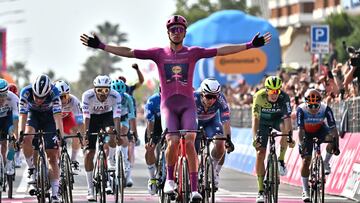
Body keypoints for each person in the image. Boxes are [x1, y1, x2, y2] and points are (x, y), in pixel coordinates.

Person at [81, 14, 271, 201]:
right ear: (168, 33)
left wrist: (250, 45)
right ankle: (170, 180)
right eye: (173, 30)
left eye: (180, 30)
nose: (177, 32)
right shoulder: (159, 54)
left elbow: (221, 51)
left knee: (190, 140)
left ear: (185, 32)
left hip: (188, 105)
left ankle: (195, 188)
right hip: (168, 106)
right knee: (172, 141)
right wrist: (101, 46)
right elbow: (130, 51)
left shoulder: (193, 52)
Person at [18, 74, 64, 203]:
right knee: (27, 138)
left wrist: (61, 134)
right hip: (33, 116)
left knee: (52, 157)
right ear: (33, 90)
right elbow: (22, 115)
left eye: (42, 97)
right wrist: (20, 134)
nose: (38, 100)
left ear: (48, 92)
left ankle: (55, 194)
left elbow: (58, 117)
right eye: (36, 96)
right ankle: (32, 169)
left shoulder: (54, 93)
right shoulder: (25, 92)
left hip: (49, 117)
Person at [252, 76, 295, 203]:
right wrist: (255, 137)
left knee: (284, 129)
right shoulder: (259, 97)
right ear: (266, 90)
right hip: (263, 122)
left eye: (277, 91)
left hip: (277, 120)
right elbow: (255, 119)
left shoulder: (284, 97)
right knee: (260, 153)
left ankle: (281, 160)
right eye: (271, 91)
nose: (274, 94)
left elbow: (287, 119)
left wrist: (290, 137)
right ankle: (260, 191)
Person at [81, 75, 122, 201]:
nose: (103, 94)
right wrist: (86, 135)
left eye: (106, 90)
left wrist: (118, 134)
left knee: (112, 132)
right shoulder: (87, 96)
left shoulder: (115, 96)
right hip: (92, 119)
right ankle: (90, 188)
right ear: (94, 89)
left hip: (107, 116)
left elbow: (116, 117)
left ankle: (111, 161)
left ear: (110, 89)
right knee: (89, 153)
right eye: (99, 90)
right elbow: (86, 117)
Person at [296, 89, 339, 202]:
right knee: (306, 161)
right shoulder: (301, 109)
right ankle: (305, 190)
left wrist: (336, 146)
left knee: (331, 139)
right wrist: (302, 144)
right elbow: (300, 130)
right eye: (311, 106)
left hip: (320, 130)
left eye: (316, 105)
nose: (314, 109)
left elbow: (334, 129)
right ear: (306, 103)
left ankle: (325, 162)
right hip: (306, 132)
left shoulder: (326, 109)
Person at [194, 78, 234, 190]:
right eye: (208, 96)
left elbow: (226, 121)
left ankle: (214, 171)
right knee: (191, 150)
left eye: (214, 97)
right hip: (194, 122)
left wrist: (228, 140)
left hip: (211, 121)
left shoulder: (221, 99)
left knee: (221, 142)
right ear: (202, 94)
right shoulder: (193, 97)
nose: (212, 100)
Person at [110, 79, 134, 187]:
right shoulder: (110, 97)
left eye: (121, 95)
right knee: (110, 137)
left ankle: (124, 159)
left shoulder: (128, 98)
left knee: (123, 133)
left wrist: (133, 131)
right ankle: (111, 159)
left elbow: (132, 116)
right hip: (111, 119)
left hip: (124, 119)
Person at [54, 80, 83, 166]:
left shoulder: (74, 101)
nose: (63, 100)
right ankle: (56, 158)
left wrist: (83, 135)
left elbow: (80, 121)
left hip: (67, 119)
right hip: (54, 120)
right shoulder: (52, 101)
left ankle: (73, 159)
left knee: (76, 133)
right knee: (54, 138)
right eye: (60, 97)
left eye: (65, 96)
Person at [143, 88, 162, 195]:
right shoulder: (153, 100)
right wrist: (150, 138)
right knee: (150, 147)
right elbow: (150, 121)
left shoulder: (174, 98)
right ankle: (152, 179)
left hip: (170, 123)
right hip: (155, 126)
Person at [0, 79, 19, 176]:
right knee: (3, 145)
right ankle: (2, 164)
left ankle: (10, 161)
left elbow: (16, 117)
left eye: (3, 95)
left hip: (8, 119)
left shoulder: (13, 98)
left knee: (12, 136)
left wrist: (16, 134)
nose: (1, 99)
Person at [7, 83, 22, 168]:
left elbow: (18, 115)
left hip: (14, 117)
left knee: (16, 136)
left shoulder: (16, 98)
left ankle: (17, 157)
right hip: (6, 117)